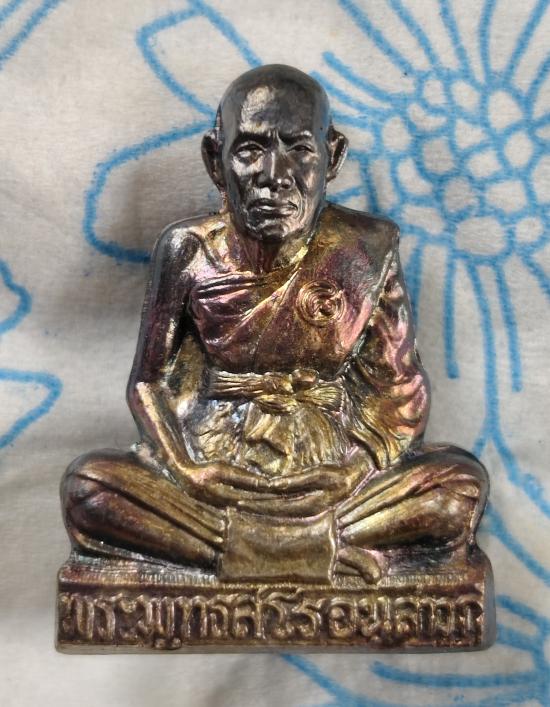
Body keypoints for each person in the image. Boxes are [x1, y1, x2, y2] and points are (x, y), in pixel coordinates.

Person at [61, 65, 488, 583]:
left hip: (331, 476)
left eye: (300, 149)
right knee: (90, 489)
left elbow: (400, 387)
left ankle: (236, 553)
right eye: (249, 150)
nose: (274, 174)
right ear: (215, 160)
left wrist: (356, 469)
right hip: (218, 472)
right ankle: (309, 551)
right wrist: (188, 469)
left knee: (456, 491)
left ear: (333, 157)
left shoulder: (365, 249)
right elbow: (149, 381)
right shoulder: (188, 249)